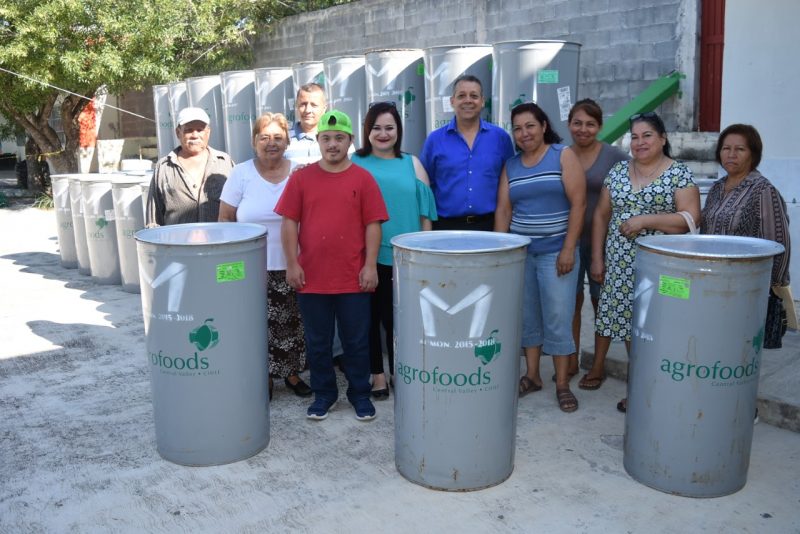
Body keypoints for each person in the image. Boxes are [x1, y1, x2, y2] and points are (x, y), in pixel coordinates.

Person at [276, 110, 389, 421]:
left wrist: (370, 266)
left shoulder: (363, 179)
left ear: (350, 141)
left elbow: (373, 225)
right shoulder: (301, 178)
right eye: (326, 138)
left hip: (353, 278)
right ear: (318, 141)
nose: (333, 144)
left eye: (340, 138)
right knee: (318, 342)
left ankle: (359, 393)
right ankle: (324, 394)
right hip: (311, 277)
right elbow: (289, 223)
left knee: (356, 341)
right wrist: (291, 264)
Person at [590, 111, 700, 413]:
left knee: (657, 328)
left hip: (661, 267)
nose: (639, 143)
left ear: (662, 139)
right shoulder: (618, 172)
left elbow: (690, 219)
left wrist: (645, 220)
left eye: (647, 135)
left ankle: (658, 385)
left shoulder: (678, 173)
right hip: (621, 266)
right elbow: (601, 215)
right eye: (634, 137)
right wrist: (598, 258)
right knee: (630, 328)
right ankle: (640, 386)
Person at [494, 102, 586, 413]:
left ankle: (562, 382)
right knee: (528, 316)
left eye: (530, 126)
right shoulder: (512, 165)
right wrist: (501, 252)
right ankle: (532, 376)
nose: (524, 133)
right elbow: (504, 210)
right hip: (522, 255)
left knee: (559, 317)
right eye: (518, 128)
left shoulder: (563, 155)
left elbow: (578, 204)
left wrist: (569, 248)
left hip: (556, 253)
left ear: (543, 126)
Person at [218, 112, 310, 400]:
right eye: (264, 137)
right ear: (253, 141)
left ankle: (292, 374)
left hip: (293, 264)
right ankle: (263, 377)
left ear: (287, 142)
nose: (272, 143)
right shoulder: (241, 173)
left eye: (278, 138)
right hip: (250, 266)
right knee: (255, 324)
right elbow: (225, 219)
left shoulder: (300, 173)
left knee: (293, 323)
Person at [351, 101, 438, 399]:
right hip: (367, 257)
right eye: (376, 128)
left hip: (406, 257)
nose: (383, 134)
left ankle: (399, 370)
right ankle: (377, 375)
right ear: (367, 131)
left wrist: (425, 254)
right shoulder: (355, 162)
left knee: (399, 319)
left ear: (398, 131)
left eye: (389, 128)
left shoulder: (411, 163)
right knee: (369, 320)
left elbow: (426, 212)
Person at [701, 124, 791, 343]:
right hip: (712, 282)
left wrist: (770, 288)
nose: (731, 154)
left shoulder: (762, 190)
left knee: (737, 344)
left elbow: (778, 242)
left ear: (753, 154)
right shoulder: (717, 187)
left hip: (746, 287)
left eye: (740, 149)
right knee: (712, 340)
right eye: (726, 148)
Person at [566, 99, 629, 390]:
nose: (583, 129)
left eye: (590, 124)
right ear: (569, 125)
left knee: (600, 302)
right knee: (571, 302)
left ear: (600, 126)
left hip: (603, 243)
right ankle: (570, 360)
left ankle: (599, 365)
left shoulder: (615, 157)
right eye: (577, 123)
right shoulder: (562, 155)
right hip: (568, 239)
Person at [420, 74, 515, 231]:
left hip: (489, 226)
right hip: (445, 227)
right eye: (461, 96)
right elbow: (425, 188)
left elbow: (509, 185)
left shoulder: (501, 139)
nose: (468, 100)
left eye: (474, 96)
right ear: (452, 101)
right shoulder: (434, 140)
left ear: (483, 101)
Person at [146, 107, 234, 227]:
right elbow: (153, 221)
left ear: (208, 132)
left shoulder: (225, 163)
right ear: (178, 132)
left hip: (219, 242)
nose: (195, 135)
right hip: (178, 244)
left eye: (200, 130)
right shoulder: (164, 168)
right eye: (189, 130)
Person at [284, 83, 327, 165]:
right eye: (303, 104)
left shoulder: (338, 139)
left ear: (324, 108)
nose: (308, 110)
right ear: (296, 106)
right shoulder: (283, 140)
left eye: (314, 105)